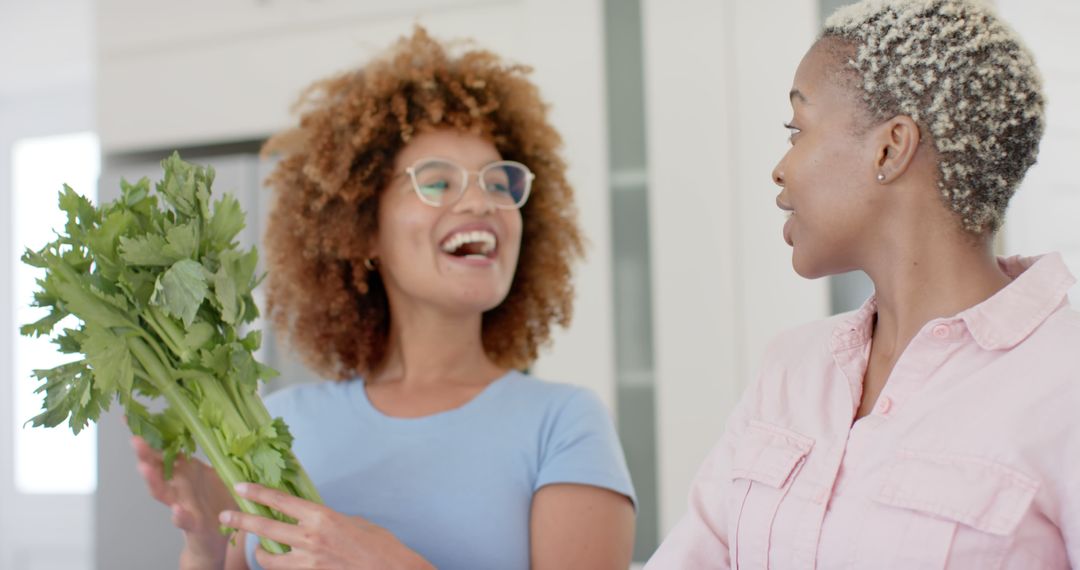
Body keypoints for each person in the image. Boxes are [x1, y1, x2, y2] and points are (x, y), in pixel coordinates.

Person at [133, 26, 636, 570]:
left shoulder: (562, 423)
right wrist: (203, 545)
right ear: (363, 230)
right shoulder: (278, 422)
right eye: (438, 183)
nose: (482, 202)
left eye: (498, 183)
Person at [646, 0, 1080, 568]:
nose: (780, 168)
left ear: (890, 147)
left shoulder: (1064, 381)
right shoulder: (790, 371)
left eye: (796, 130)